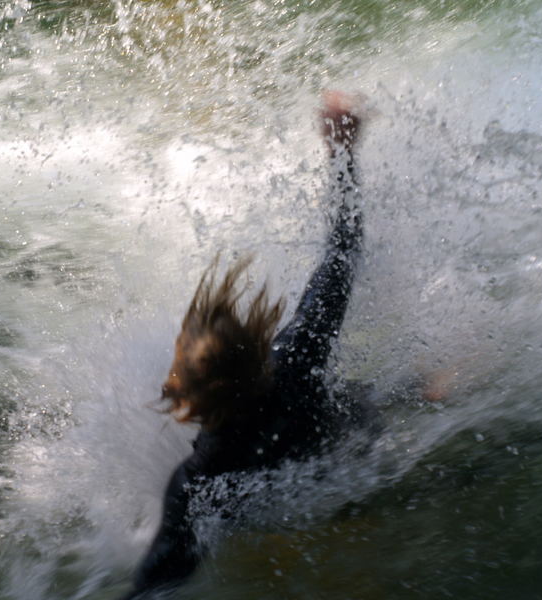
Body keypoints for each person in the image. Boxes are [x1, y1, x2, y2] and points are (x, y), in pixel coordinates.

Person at [120, 91, 372, 599]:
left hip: (303, 499)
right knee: (370, 396)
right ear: (256, 350)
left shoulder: (197, 482)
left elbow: (155, 586)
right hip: (353, 457)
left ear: (187, 402)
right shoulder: (297, 356)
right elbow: (342, 251)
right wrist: (343, 153)